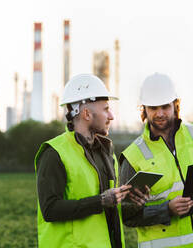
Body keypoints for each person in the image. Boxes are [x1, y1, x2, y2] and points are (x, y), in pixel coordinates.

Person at [119, 73, 193, 248]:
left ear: (175, 104)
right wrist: (167, 209)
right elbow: (127, 215)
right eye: (153, 108)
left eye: (165, 106)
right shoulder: (133, 155)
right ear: (144, 109)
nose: (160, 113)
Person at [34, 74, 131, 248]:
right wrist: (100, 201)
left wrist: (131, 199)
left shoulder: (106, 152)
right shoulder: (54, 153)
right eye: (106, 109)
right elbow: (49, 209)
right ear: (86, 113)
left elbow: (111, 207)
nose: (111, 116)